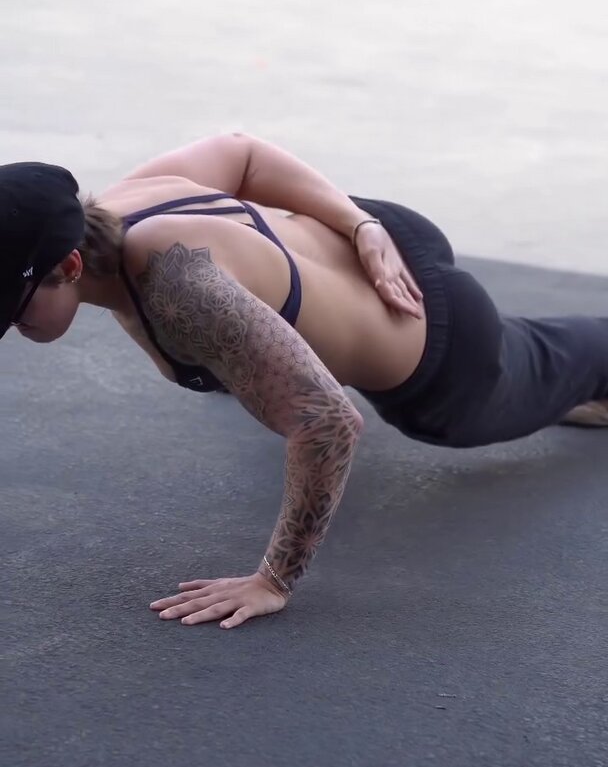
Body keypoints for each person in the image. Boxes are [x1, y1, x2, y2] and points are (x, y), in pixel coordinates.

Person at [2, 133, 607, 631]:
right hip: (367, 236)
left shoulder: (176, 285)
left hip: (439, 354)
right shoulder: (116, 204)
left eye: (12, 311)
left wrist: (273, 580)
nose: (12, 329)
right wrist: (361, 223)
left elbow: (328, 424)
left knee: (554, 367)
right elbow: (240, 152)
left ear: (71, 265)